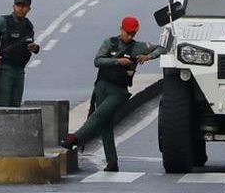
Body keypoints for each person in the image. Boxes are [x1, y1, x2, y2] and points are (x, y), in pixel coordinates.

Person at [63, 16, 165, 171]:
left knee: (99, 115)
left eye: (133, 34)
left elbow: (161, 48)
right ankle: (112, 162)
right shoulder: (110, 43)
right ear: (121, 29)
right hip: (102, 86)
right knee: (105, 125)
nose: (130, 37)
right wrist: (117, 61)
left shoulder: (138, 46)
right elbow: (98, 61)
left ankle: (75, 138)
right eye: (127, 33)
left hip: (119, 91)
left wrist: (148, 56)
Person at [0, 0, 40, 107]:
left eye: (24, 6)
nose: (21, 9)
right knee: (2, 104)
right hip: (4, 69)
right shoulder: (2, 22)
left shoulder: (28, 26)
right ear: (13, 6)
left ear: (29, 9)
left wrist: (35, 48)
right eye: (18, 5)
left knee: (16, 105)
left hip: (20, 70)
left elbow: (29, 45)